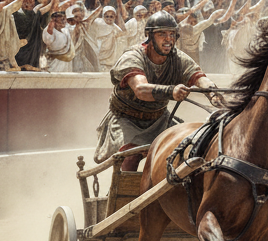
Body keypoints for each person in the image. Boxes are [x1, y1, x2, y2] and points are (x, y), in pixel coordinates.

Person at [96, 10, 224, 172]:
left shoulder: (178, 58)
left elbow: (198, 77)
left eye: (172, 34)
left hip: (159, 119)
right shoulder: (132, 56)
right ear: (149, 36)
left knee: (188, 146)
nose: (168, 39)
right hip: (127, 120)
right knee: (131, 155)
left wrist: (212, 93)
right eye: (162, 34)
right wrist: (171, 91)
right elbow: (140, 89)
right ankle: (124, 196)